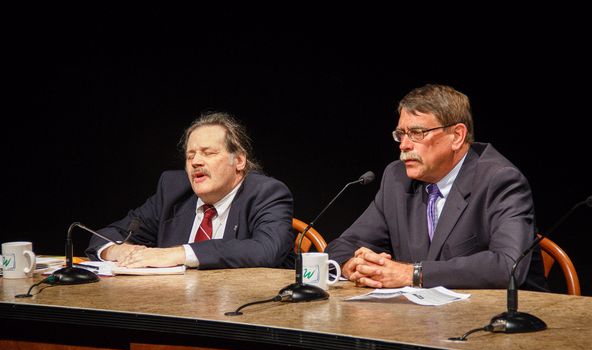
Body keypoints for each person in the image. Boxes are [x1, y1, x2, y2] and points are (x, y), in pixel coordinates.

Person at [326, 84, 546, 290]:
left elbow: (508, 266)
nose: (404, 145)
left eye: (417, 133)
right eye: (401, 134)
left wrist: (412, 274)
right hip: (423, 319)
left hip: (505, 319)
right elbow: (345, 244)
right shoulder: (397, 178)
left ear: (457, 136)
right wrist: (353, 266)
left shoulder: (500, 180)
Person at [86, 112, 294, 269]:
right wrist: (117, 250)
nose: (195, 162)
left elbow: (267, 250)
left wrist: (180, 253)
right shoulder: (173, 191)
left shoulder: (266, 193)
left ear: (239, 160)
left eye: (208, 153)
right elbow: (106, 235)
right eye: (190, 155)